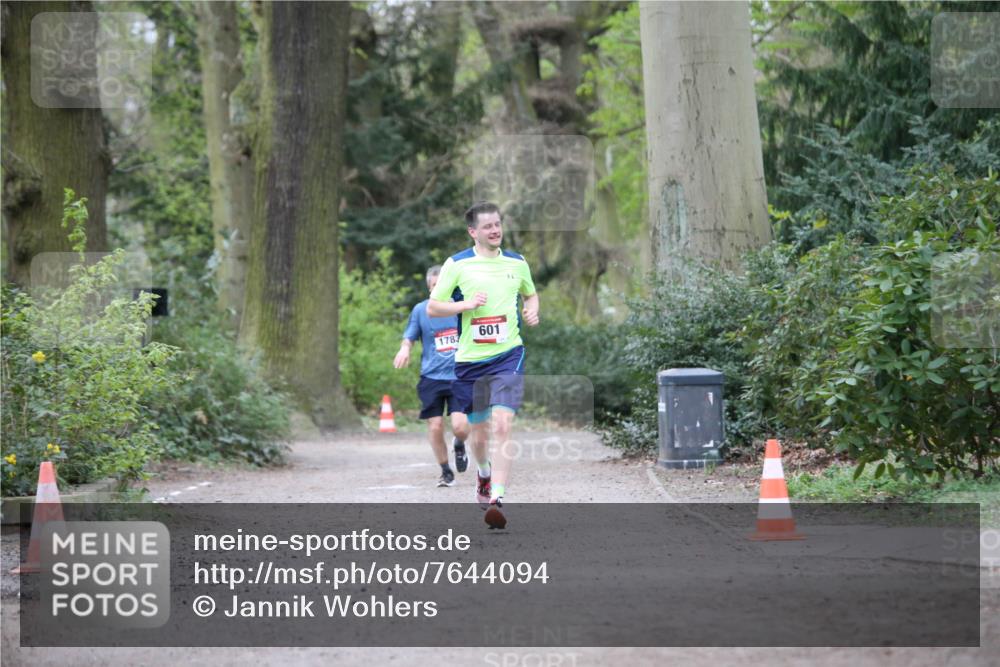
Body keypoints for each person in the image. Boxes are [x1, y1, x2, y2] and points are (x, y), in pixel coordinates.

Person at [427, 202, 539, 528]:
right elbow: (434, 307)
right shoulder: (457, 264)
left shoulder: (517, 263)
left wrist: (532, 309)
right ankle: (484, 473)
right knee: (476, 433)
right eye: (487, 226)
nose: (495, 230)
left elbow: (530, 294)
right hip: (470, 361)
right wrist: (467, 304)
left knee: (503, 424)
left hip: (508, 354)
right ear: (473, 232)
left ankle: (497, 497)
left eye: (497, 224)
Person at [393, 266, 471, 487]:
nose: (439, 290)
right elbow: (409, 336)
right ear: (429, 288)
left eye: (443, 286)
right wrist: (405, 349)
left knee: (459, 426)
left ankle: (459, 443)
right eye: (435, 286)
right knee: (435, 425)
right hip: (431, 377)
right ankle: (446, 471)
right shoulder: (420, 310)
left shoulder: (461, 309)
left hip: (460, 375)